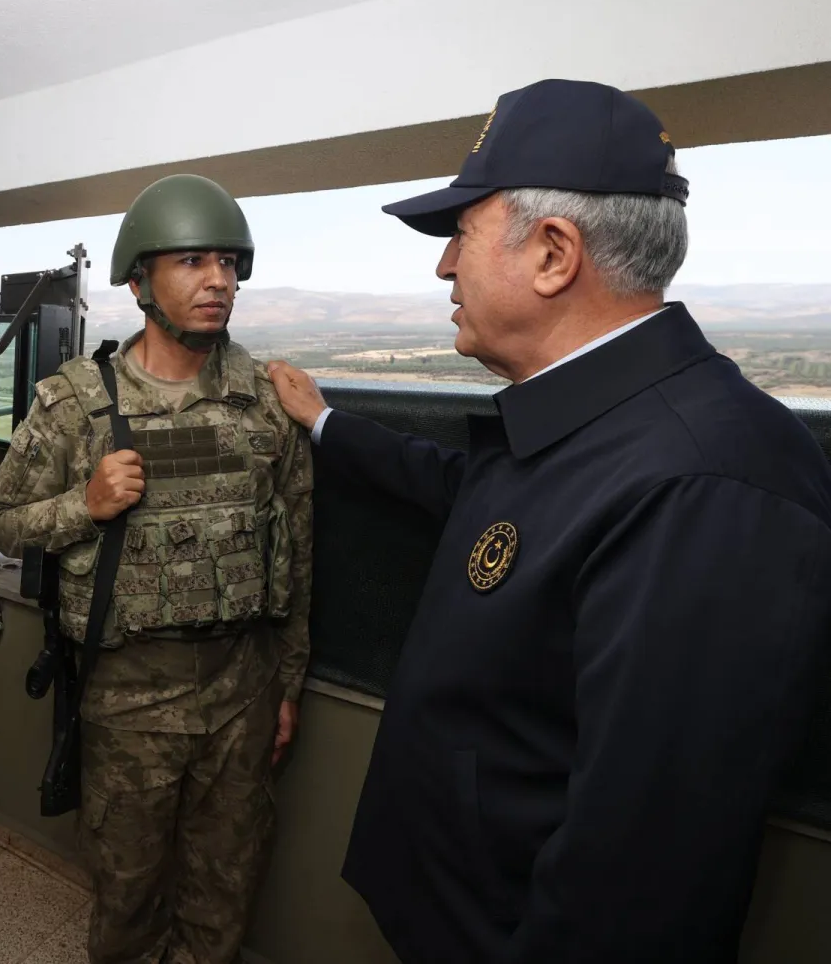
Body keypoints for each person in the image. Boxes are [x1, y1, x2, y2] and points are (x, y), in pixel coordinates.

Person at [268, 79, 831, 964]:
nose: (444, 267)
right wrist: (326, 424)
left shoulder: (711, 484)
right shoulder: (600, 427)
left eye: (460, 235)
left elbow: (641, 881)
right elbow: (477, 496)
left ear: (553, 254)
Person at [0, 174, 314, 964]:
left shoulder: (268, 403)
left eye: (230, 263)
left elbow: (297, 555)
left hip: (243, 690)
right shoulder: (74, 404)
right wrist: (85, 507)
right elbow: (0, 523)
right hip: (129, 702)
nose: (219, 281)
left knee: (226, 893)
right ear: (139, 282)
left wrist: (288, 688)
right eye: (193, 261)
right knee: (129, 898)